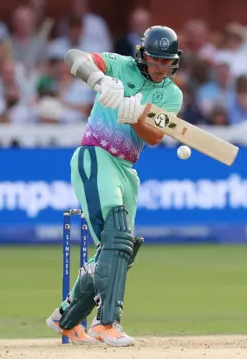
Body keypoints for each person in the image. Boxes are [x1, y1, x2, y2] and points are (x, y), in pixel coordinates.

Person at [45, 25, 183, 347]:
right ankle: (106, 324)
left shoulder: (171, 94)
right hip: (96, 155)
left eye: (167, 61)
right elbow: (73, 56)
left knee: (120, 250)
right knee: (117, 237)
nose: (161, 66)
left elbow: (154, 136)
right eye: (155, 59)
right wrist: (100, 80)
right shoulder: (118, 66)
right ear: (142, 54)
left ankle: (65, 319)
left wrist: (132, 114)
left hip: (127, 168)